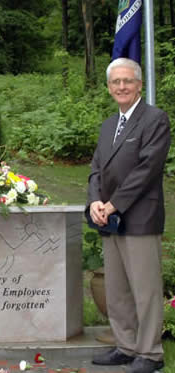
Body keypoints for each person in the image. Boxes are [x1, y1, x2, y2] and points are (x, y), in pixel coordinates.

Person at [86, 57, 170, 373]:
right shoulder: (109, 125)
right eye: (115, 82)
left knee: (145, 290)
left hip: (140, 218)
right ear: (109, 88)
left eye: (127, 81)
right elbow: (96, 168)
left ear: (139, 84)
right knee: (117, 289)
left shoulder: (155, 119)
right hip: (109, 218)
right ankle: (126, 345)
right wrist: (96, 202)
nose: (122, 86)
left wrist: (114, 204)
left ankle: (150, 353)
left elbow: (147, 169)